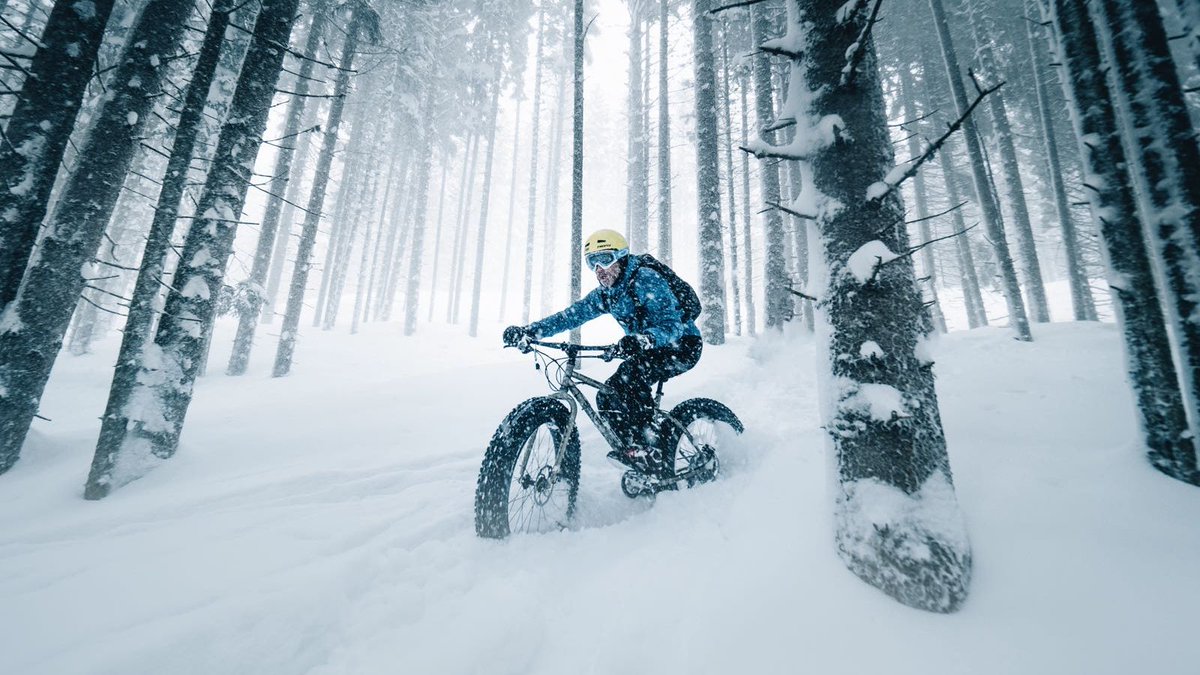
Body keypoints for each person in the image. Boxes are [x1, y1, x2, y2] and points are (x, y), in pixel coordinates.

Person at [503, 229, 703, 475]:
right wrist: (530, 331)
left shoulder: (645, 279)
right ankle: (636, 451)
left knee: (630, 377)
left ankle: (652, 450)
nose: (599, 269)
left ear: (621, 258)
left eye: (605, 260)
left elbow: (672, 326)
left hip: (682, 345)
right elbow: (570, 316)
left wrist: (644, 339)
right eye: (592, 262)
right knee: (607, 395)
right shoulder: (607, 295)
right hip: (647, 349)